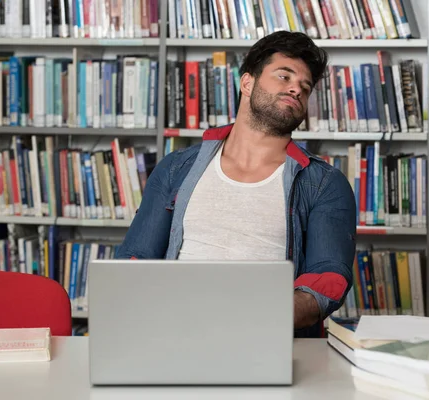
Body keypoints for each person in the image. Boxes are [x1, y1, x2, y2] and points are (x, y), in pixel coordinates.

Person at [116, 31, 356, 338]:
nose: (296, 88)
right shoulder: (175, 168)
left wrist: (254, 313)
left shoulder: (326, 184)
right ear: (247, 83)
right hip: (173, 333)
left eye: (305, 87)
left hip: (267, 338)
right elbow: (135, 260)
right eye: (284, 76)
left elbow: (327, 278)